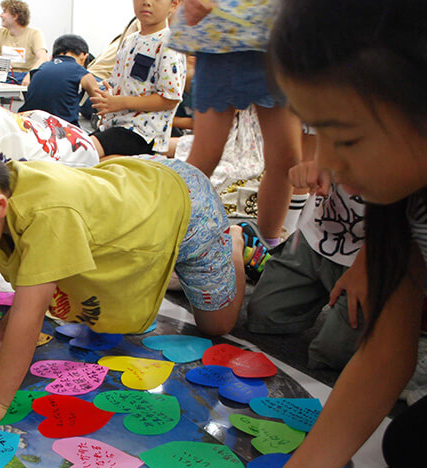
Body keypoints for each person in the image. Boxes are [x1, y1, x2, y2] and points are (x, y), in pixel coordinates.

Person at [0, 123, 246, 441]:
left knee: (216, 324)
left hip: (186, 206)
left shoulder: (45, 217)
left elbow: (28, 317)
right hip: (135, 183)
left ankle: (234, 243)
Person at [269, 0, 427, 466]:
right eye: (318, 131)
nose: (331, 164)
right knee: (406, 442)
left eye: (349, 137)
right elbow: (384, 355)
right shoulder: (398, 197)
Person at [177, 0, 301, 251]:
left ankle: (267, 246)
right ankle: (166, 237)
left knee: (287, 159)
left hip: (278, 35)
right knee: (205, 156)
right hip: (221, 35)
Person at [247, 182, 366, 370]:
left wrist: (364, 267)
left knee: (331, 356)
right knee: (264, 316)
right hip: (317, 234)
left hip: (373, 256)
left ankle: (393, 315)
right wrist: (316, 162)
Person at [91, 0, 187, 156]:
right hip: (114, 126)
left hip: (143, 134)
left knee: (84, 150)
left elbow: (170, 99)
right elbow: (118, 83)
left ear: (174, 4)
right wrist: (108, 97)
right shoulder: (129, 41)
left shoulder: (170, 45)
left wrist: (121, 103)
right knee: (76, 146)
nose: (147, 2)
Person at [19, 34, 99, 126]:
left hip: (28, 126)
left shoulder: (41, 68)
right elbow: (102, 106)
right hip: (61, 131)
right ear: (84, 55)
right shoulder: (81, 72)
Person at [0, 0, 47, 86]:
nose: (1, 15)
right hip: (3, 76)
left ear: (15, 16)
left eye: (4, 12)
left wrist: (30, 74)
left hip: (24, 76)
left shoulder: (34, 34)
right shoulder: (0, 33)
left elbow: (43, 58)